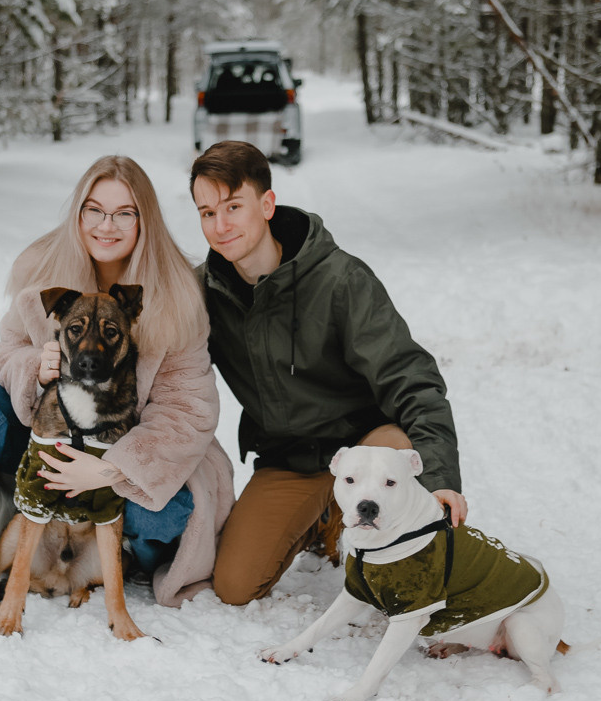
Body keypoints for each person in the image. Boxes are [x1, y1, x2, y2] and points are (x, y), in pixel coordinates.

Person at [0, 155, 234, 626]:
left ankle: (118, 549)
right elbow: (6, 351)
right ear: (78, 213)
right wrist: (35, 366)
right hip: (47, 445)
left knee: (171, 512)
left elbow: (187, 411)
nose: (106, 226)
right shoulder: (43, 270)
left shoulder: (174, 292)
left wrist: (109, 470)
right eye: (94, 210)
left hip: (130, 458)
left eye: (123, 213)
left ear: (144, 219)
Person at [189, 140, 466, 606]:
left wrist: (439, 477)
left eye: (234, 206)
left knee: (417, 561)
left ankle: (359, 514)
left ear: (267, 204)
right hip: (288, 458)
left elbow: (411, 378)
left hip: (367, 446)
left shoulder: (341, 279)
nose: (221, 225)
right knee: (235, 587)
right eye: (206, 212)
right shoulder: (203, 293)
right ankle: (325, 519)